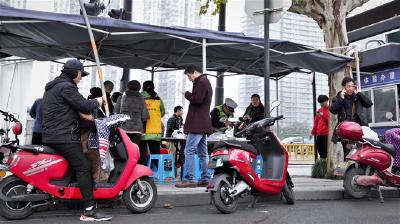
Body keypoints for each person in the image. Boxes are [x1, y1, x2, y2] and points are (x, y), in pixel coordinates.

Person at [42, 59, 112, 221]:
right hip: (63, 136)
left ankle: (74, 199)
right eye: (81, 75)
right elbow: (84, 105)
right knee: (84, 166)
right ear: (74, 73)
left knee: (75, 166)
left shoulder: (54, 87)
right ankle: (89, 209)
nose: (81, 78)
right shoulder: (66, 87)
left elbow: (70, 110)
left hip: (54, 134)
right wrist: (99, 100)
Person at [175, 65, 213, 188]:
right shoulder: (205, 81)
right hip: (203, 123)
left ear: (195, 72)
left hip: (197, 123)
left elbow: (197, 99)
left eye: (189, 76)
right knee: (203, 153)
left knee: (189, 150)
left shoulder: (201, 82)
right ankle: (205, 178)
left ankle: (190, 179)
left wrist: (186, 94)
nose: (189, 79)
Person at [330, 77, 373, 159]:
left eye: (352, 86)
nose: (351, 88)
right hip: (345, 130)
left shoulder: (357, 96)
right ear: (343, 87)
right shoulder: (338, 98)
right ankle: (349, 169)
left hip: (359, 129)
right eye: (348, 86)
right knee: (348, 154)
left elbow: (369, 104)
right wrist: (341, 99)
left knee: (360, 153)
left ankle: (358, 170)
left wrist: (359, 93)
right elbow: (333, 110)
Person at [114, 80, 149, 165]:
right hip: (136, 131)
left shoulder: (121, 98)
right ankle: (132, 173)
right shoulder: (141, 99)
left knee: (122, 152)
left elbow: (115, 112)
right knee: (133, 153)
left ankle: (121, 172)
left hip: (123, 130)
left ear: (128, 87)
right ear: (139, 88)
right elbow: (145, 116)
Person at [141, 80, 165, 166]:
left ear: (143, 87)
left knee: (142, 154)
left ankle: (143, 174)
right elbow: (162, 113)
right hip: (155, 131)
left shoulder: (140, 97)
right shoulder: (158, 98)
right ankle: (158, 173)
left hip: (142, 131)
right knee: (155, 154)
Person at [309, 95, 329, 159]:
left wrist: (323, 115)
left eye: (323, 103)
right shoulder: (319, 110)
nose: (322, 105)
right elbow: (316, 123)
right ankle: (322, 165)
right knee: (320, 151)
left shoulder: (330, 109)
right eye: (320, 103)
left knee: (326, 151)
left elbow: (330, 121)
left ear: (327, 101)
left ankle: (327, 164)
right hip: (319, 134)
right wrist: (312, 133)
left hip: (327, 134)